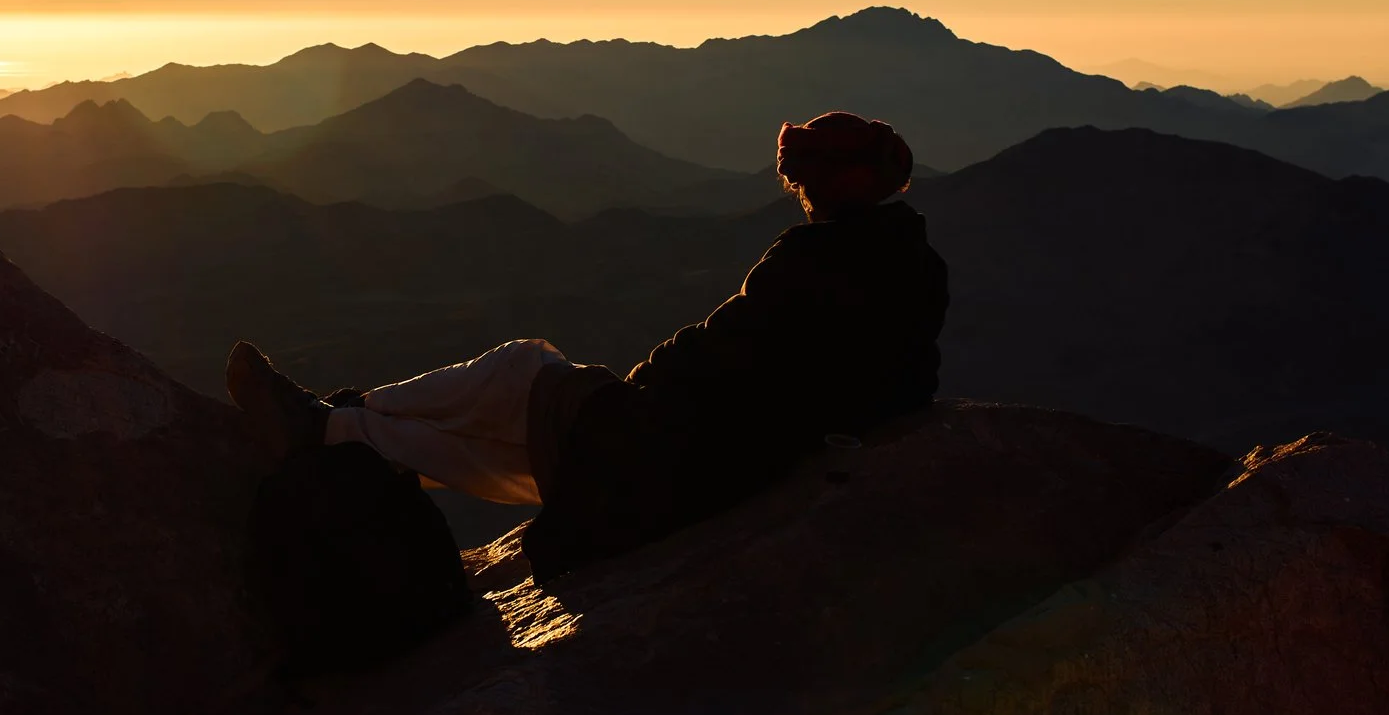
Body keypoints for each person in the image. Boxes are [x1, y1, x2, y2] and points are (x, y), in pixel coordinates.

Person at [227, 111, 949, 579]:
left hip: (695, 452)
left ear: (822, 182)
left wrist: (642, 385)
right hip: (736, 458)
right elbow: (899, 379)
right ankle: (343, 428)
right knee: (524, 441)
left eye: (804, 174)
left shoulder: (810, 262)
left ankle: (332, 423)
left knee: (521, 370)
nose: (798, 187)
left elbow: (719, 348)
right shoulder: (916, 262)